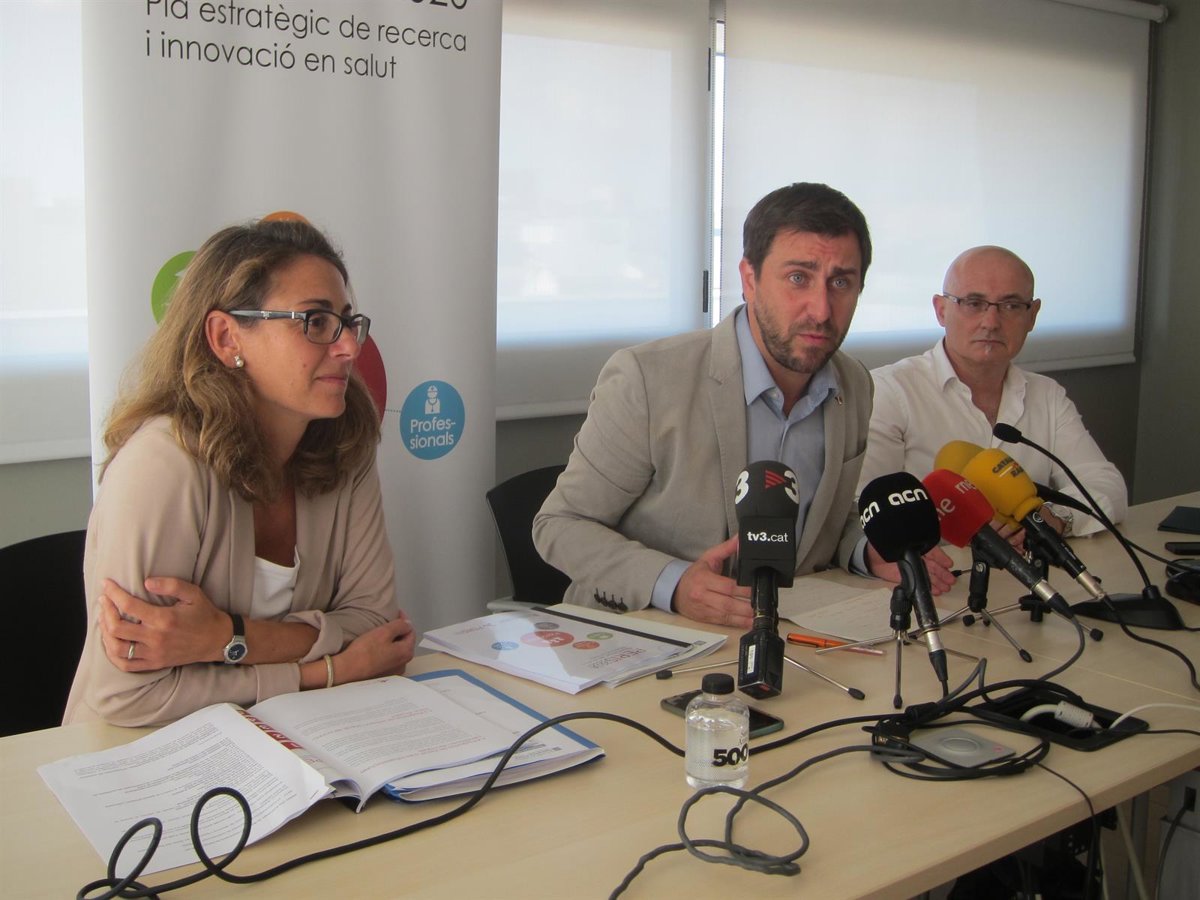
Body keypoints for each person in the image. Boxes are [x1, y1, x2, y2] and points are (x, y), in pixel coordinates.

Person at [533, 182, 949, 629]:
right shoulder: (648, 379)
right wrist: (674, 584)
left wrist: (866, 550)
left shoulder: (855, 385)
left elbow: (821, 520)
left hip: (791, 637)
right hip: (645, 637)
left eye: (841, 282)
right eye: (798, 277)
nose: (821, 309)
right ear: (749, 279)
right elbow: (561, 524)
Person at [64, 219, 415, 728]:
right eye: (315, 322)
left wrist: (225, 638)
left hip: (305, 742)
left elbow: (377, 628)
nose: (349, 347)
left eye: (346, 322)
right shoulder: (161, 466)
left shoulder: (344, 442)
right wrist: (328, 671)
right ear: (227, 337)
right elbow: (129, 697)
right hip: (143, 755)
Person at [859, 245, 1128, 559]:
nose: (991, 322)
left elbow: (1105, 485)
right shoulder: (890, 391)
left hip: (1031, 572)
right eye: (973, 303)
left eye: (1011, 305)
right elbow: (863, 510)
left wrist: (1050, 519)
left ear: (1032, 315)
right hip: (938, 576)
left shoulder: (1047, 395)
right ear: (941, 310)